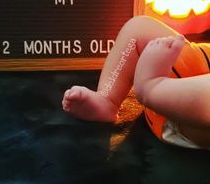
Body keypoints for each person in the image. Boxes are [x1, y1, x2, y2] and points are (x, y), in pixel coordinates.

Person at [62, 16, 210, 149]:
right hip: (201, 64)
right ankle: (107, 98)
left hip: (193, 119)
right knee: (138, 27)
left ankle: (150, 88)